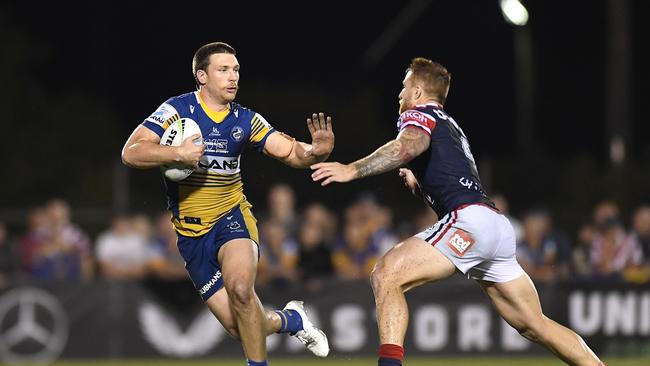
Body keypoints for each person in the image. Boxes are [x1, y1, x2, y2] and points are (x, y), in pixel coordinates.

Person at [311, 58, 603, 366]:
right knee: (534, 324)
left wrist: (351, 170)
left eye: (405, 86)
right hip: (494, 226)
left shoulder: (417, 115)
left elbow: (404, 149)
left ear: (419, 91)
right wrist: (420, 181)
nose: (400, 93)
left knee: (387, 274)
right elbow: (452, 176)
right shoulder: (450, 125)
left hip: (470, 222)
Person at [121, 42, 332, 365]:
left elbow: (290, 152)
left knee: (242, 291)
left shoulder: (245, 120)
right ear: (201, 76)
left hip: (231, 218)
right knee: (243, 329)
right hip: (191, 238)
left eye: (236, 70)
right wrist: (176, 153)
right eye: (223, 70)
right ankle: (291, 320)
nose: (233, 77)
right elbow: (131, 152)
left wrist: (316, 152)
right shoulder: (176, 111)